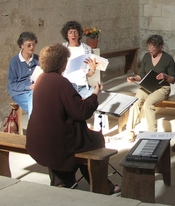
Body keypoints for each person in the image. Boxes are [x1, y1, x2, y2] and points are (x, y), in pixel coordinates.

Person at [26, 43, 120, 193]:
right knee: (95, 140)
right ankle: (101, 185)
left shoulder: (41, 79)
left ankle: (62, 181)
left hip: (37, 137)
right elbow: (81, 112)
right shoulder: (61, 82)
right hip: (57, 140)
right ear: (62, 63)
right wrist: (95, 94)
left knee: (73, 139)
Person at [125, 34, 175, 141]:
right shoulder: (146, 57)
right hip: (147, 86)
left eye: (153, 47)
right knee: (135, 101)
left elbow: (173, 79)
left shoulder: (168, 59)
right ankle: (130, 131)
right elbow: (141, 75)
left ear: (160, 46)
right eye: (149, 46)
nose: (150, 49)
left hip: (162, 88)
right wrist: (134, 79)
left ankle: (151, 133)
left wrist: (165, 76)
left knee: (148, 103)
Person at [60, 20, 98, 99]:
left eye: (75, 32)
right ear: (66, 35)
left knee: (94, 99)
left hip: (83, 86)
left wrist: (93, 69)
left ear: (79, 34)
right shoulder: (62, 49)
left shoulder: (87, 49)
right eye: (70, 32)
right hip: (67, 87)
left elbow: (89, 74)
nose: (73, 35)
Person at [7, 31, 40, 118]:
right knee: (36, 102)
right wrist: (29, 87)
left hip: (36, 91)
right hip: (20, 93)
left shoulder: (38, 59)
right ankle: (35, 129)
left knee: (39, 101)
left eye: (33, 44)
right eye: (29, 45)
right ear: (22, 46)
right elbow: (12, 84)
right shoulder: (14, 61)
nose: (32, 47)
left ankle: (34, 127)